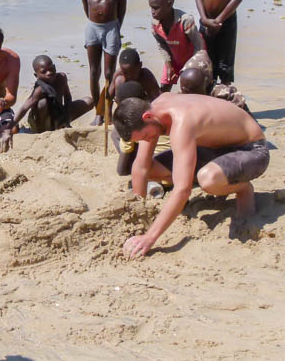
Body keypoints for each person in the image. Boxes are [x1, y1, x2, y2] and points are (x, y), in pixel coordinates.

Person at [114, 93, 269, 258]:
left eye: (146, 136)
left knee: (208, 180)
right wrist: (138, 213)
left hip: (251, 150)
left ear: (147, 117)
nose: (149, 139)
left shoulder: (181, 122)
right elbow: (141, 167)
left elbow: (182, 190)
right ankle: (215, 177)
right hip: (215, 148)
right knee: (152, 170)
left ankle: (243, 189)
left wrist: (149, 238)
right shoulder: (154, 110)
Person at [0, 55, 93, 152]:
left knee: (89, 101)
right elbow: (24, 108)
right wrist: (8, 129)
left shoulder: (62, 77)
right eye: (44, 72)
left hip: (58, 114)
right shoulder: (40, 89)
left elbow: (68, 98)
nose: (49, 73)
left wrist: (66, 120)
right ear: (36, 76)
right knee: (42, 103)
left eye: (51, 69)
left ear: (55, 67)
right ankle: (43, 132)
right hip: (41, 120)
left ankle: (60, 125)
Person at [81, 0, 127, 125]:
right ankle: (98, 113)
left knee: (108, 73)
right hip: (93, 27)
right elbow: (85, 0)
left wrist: (117, 27)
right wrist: (92, 19)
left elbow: (122, 5)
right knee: (94, 71)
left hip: (111, 28)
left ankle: (107, 108)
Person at [148, 0, 206, 92]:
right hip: (174, 60)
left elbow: (199, 46)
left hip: (193, 59)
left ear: (169, 4)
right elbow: (161, 45)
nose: (152, 12)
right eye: (151, 8)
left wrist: (191, 67)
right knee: (164, 87)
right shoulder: (155, 24)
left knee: (190, 88)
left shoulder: (185, 21)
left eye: (156, 8)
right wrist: (169, 64)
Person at [178, 66, 250, 113]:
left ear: (205, 85)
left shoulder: (224, 93)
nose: (195, 97)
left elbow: (241, 114)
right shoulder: (183, 95)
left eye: (197, 91)